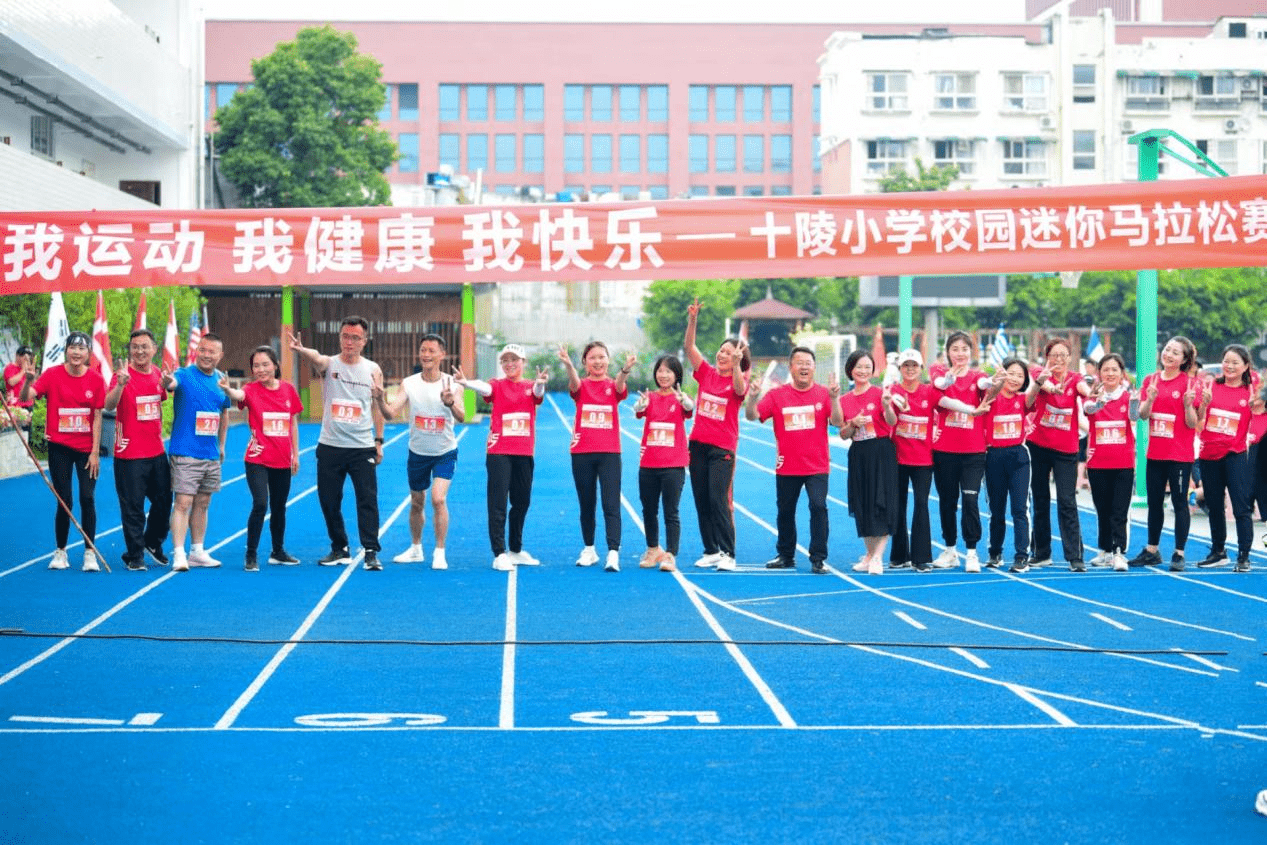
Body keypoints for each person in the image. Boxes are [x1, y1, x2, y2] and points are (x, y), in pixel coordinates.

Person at [286, 317, 385, 571]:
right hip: (330, 445)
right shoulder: (330, 364)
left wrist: (379, 441)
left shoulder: (373, 369)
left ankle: (371, 550)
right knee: (329, 500)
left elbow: (377, 407)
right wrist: (300, 350)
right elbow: (316, 357)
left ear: (364, 341)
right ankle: (339, 547)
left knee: (367, 500)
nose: (349, 342)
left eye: (355, 337)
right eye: (345, 336)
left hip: (361, 446)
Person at [745, 346, 842, 574]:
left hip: (817, 465)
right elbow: (753, 416)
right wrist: (752, 398)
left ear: (814, 367)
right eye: (799, 362)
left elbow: (837, 421)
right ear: (791, 367)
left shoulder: (823, 394)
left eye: (808, 363)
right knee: (785, 511)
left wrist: (835, 398)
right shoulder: (777, 395)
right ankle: (786, 555)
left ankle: (818, 558)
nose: (804, 367)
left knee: (818, 507)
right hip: (787, 465)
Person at [454, 344, 547, 571]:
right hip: (499, 452)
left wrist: (540, 384)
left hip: (524, 452)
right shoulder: (497, 384)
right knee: (497, 503)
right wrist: (466, 383)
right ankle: (499, 552)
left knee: (522, 501)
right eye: (505, 360)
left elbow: (537, 393)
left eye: (514, 360)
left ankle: (515, 549)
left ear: (523, 362)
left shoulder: (529, 386)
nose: (509, 364)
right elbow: (485, 389)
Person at [373, 334, 461, 571]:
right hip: (418, 452)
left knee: (438, 499)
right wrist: (380, 399)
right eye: (423, 350)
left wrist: (451, 402)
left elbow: (463, 416)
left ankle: (440, 551)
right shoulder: (409, 383)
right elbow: (390, 413)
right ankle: (415, 548)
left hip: (444, 451)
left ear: (442, 355)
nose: (426, 354)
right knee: (417, 502)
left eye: (432, 350)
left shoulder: (451, 383)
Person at [19, 332, 105, 571]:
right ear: (66, 350)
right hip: (59, 448)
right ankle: (61, 551)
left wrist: (95, 452)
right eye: (72, 348)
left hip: (86, 449)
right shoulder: (52, 375)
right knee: (64, 500)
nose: (76, 353)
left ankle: (90, 552)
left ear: (88, 354)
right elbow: (26, 398)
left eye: (81, 349)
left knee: (87, 498)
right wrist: (27, 381)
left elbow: (97, 416)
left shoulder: (96, 379)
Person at [219, 346, 303, 571]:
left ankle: (278, 551)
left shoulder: (288, 390)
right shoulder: (251, 389)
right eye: (256, 366)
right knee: (260, 504)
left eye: (265, 364)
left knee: (279, 507)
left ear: (275, 366)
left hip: (282, 459)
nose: (261, 369)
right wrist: (228, 390)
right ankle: (251, 554)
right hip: (257, 458)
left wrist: (296, 453)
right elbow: (240, 395)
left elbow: (292, 423)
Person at [683, 297, 750, 573]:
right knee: (701, 498)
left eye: (728, 352)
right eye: (721, 351)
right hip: (698, 445)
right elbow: (689, 347)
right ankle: (710, 550)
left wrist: (736, 365)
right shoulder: (707, 374)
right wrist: (693, 319)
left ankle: (728, 553)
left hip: (721, 450)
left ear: (738, 357)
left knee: (718, 498)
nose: (721, 355)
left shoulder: (739, 379)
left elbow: (738, 390)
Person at [1127, 336, 1201, 571]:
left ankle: (1179, 553)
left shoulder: (1189, 384)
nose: (1169, 354)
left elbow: (1192, 424)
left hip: (1179, 455)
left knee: (1179, 502)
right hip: (1155, 454)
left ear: (1184, 360)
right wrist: (1149, 399)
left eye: (1176, 353)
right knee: (1155, 503)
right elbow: (1143, 415)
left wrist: (1188, 405)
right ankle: (1152, 550)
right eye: (1167, 349)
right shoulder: (1151, 380)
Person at [558, 341, 632, 572]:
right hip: (582, 452)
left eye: (602, 357)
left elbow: (620, 386)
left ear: (608, 361)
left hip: (609, 453)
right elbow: (574, 383)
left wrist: (626, 369)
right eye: (592, 358)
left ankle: (613, 552)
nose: (598, 361)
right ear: (585, 363)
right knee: (586, 503)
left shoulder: (613, 386)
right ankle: (589, 549)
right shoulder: (581, 386)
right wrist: (569, 365)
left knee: (611, 503)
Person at [104, 328, 172, 571]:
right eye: (135, 347)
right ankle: (135, 556)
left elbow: (161, 398)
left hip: (156, 452)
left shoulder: (156, 374)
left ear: (154, 349)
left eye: (145, 346)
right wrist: (121, 386)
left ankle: (152, 542)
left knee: (164, 501)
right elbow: (109, 405)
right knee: (133, 508)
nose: (140, 351)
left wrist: (168, 383)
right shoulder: (122, 376)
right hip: (129, 454)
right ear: (130, 350)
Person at [162, 333, 231, 572]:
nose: (206, 355)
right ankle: (179, 553)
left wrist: (221, 445)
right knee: (183, 502)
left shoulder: (222, 380)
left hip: (210, 454)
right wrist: (166, 381)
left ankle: (198, 551)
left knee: (203, 503)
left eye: (212, 351)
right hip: (185, 451)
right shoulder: (184, 375)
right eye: (203, 350)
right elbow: (171, 385)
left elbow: (225, 413)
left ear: (220, 355)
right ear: (197, 351)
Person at [1026, 337, 1092, 571]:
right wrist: (1052, 386)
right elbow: (1041, 385)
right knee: (1040, 499)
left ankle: (1075, 556)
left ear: (1070, 357)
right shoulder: (1039, 372)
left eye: (1064, 355)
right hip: (1039, 446)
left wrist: (1092, 395)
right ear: (1047, 357)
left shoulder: (1075, 378)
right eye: (1055, 355)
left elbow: (1085, 391)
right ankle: (1042, 552)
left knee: (1067, 500)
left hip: (1066, 449)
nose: (1059, 360)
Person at [929, 331, 992, 570]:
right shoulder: (938, 371)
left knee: (970, 500)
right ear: (948, 352)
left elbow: (984, 385)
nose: (960, 354)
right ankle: (950, 549)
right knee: (947, 501)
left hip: (973, 451)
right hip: (945, 450)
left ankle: (972, 552)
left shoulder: (978, 377)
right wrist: (948, 382)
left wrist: (992, 382)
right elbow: (940, 392)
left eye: (964, 349)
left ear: (971, 352)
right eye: (955, 349)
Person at [1194, 344, 1260, 573]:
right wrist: (1203, 403)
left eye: (1235, 362)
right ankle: (1218, 551)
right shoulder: (1210, 386)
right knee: (1214, 505)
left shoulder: (1251, 392)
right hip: (1209, 454)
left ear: (1245, 366)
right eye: (1226, 361)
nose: (1229, 366)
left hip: (1235, 455)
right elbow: (1198, 420)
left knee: (1241, 506)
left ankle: (1244, 555)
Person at [634, 355, 695, 573]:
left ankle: (670, 554)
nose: (663, 375)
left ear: (676, 375)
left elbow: (690, 408)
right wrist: (639, 405)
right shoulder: (649, 397)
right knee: (649, 509)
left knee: (671, 511)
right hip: (649, 463)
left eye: (668, 371)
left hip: (673, 464)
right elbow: (638, 411)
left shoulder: (680, 398)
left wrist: (685, 402)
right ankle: (653, 549)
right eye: (660, 371)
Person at [839, 350, 897, 576]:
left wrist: (887, 405)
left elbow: (892, 422)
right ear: (850, 371)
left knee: (881, 502)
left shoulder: (881, 393)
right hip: (859, 453)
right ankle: (870, 555)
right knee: (862, 503)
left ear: (873, 370)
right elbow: (843, 434)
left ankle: (878, 557)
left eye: (867, 367)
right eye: (858, 367)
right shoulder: (845, 400)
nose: (863, 371)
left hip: (881, 451)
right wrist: (853, 423)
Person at [977, 358, 1033, 573]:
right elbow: (989, 396)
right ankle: (995, 552)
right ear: (1003, 374)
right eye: (1012, 373)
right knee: (996, 509)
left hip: (1018, 457)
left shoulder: (1023, 399)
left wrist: (1040, 381)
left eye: (1020, 376)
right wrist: (998, 380)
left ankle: (1021, 556)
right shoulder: (991, 396)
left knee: (1020, 509)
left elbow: (1034, 393)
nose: (1015, 379)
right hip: (993, 456)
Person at [1082, 354, 1135, 572]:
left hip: (1123, 463)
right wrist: (1098, 402)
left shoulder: (1128, 397)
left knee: (1119, 510)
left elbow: (1134, 416)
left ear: (1122, 373)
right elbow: (1088, 410)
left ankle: (1119, 551)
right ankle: (1104, 550)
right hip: (1098, 463)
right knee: (1102, 508)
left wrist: (1140, 401)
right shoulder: (1093, 398)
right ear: (1099, 374)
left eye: (1114, 370)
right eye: (1106, 370)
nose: (1110, 374)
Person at [887, 348, 937, 573]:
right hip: (897, 458)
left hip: (923, 459)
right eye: (906, 365)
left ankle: (921, 557)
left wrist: (973, 411)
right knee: (897, 506)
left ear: (921, 369)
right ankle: (899, 555)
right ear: (900, 369)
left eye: (914, 365)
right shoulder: (892, 391)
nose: (910, 369)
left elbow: (948, 404)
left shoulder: (929, 392)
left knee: (921, 505)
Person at [4, 345, 36, 415]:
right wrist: (23, 369)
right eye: (23, 357)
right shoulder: (10, 367)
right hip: (15, 406)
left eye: (28, 357)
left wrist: (31, 375)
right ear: (17, 356)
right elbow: (11, 382)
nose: (26, 359)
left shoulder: (28, 369)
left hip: (28, 405)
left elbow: (33, 386)